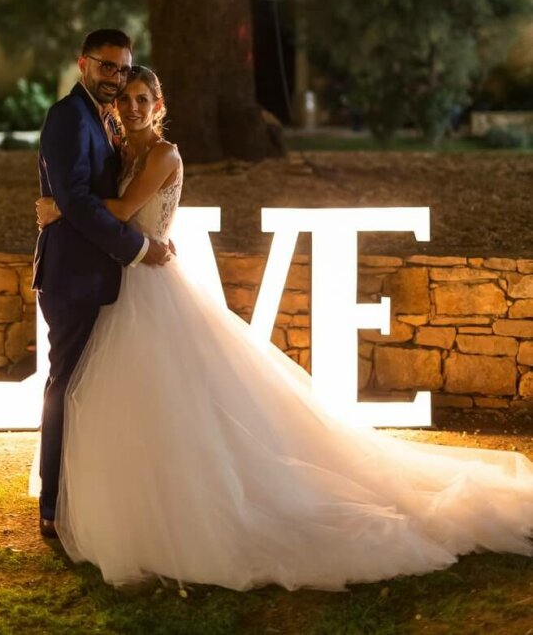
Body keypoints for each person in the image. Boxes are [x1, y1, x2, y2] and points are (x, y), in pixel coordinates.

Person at [38, 66, 533, 591]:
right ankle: (132, 499)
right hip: (125, 284)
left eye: (144, 99)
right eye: (127, 100)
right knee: (134, 402)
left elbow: (118, 209)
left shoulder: (163, 155)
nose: (134, 107)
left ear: (159, 106)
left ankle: (193, 506)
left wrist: (60, 210)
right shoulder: (122, 150)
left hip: (153, 286)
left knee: (179, 401)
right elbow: (105, 205)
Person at [32, 30, 169, 539]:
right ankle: (52, 504)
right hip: (73, 276)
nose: (113, 76)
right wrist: (137, 249)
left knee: (97, 390)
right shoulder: (68, 117)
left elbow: (85, 197)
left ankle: (88, 494)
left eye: (121, 68)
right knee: (66, 388)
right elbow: (81, 199)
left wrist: (60, 206)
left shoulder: (106, 118)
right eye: (106, 67)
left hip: (104, 276)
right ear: (83, 63)